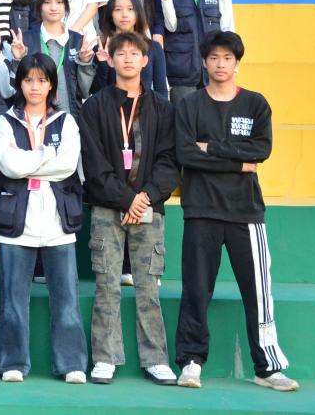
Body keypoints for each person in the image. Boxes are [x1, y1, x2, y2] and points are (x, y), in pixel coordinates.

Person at [173, 31, 298, 393]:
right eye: (214, 57)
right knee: (196, 290)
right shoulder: (190, 105)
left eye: (227, 58)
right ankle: (191, 362)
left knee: (258, 292)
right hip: (201, 210)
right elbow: (186, 154)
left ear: (237, 63)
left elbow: (261, 150)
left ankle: (267, 366)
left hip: (246, 212)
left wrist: (211, 148)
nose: (220, 64)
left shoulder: (255, 104)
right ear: (204, 62)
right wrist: (237, 161)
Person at [79, 31, 179, 386]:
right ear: (110, 59)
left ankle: (156, 359)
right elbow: (93, 163)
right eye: (120, 53)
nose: (127, 59)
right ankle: (105, 357)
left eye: (134, 53)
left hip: (149, 208)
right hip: (107, 209)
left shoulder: (163, 109)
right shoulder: (94, 106)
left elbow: (169, 161)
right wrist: (126, 199)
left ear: (145, 60)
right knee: (107, 285)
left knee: (148, 287)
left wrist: (145, 197)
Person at [0, 53, 88, 384]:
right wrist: (47, 154)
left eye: (42, 80)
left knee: (67, 300)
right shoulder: (6, 121)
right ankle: (12, 362)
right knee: (13, 302)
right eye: (29, 80)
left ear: (51, 86)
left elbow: (68, 165)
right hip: (16, 222)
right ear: (19, 84)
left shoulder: (66, 121)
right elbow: (9, 166)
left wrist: (30, 160)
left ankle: (71, 363)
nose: (35, 86)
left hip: (58, 222)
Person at [32, 0, 95, 121]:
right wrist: (18, 59)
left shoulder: (77, 41)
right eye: (47, 2)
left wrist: (85, 62)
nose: (53, 7)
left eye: (59, 2)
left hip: (70, 117)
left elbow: (85, 91)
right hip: (35, 119)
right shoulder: (28, 40)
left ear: (66, 5)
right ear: (39, 6)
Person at [93, 0, 169, 100]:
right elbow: (96, 93)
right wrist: (103, 63)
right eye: (118, 9)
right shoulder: (100, 49)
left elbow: (161, 90)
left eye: (130, 9)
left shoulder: (153, 48)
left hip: (145, 109)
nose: (124, 15)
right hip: (110, 109)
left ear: (138, 13)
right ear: (111, 15)